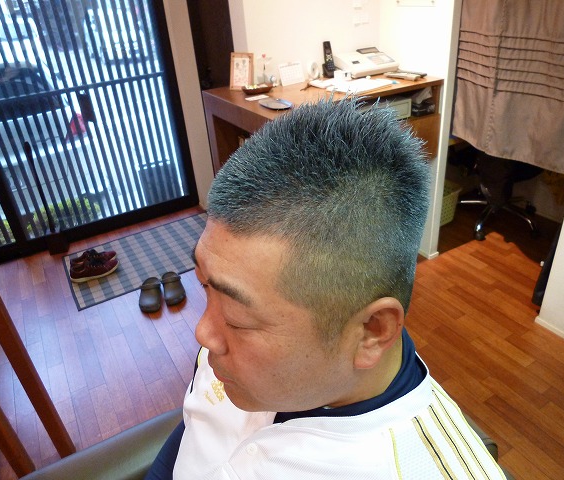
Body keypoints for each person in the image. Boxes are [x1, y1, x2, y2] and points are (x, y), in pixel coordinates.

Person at [146, 98, 506, 479]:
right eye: (204, 285)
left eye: (236, 318)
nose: (203, 333)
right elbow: (195, 429)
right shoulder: (230, 346)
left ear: (372, 331)